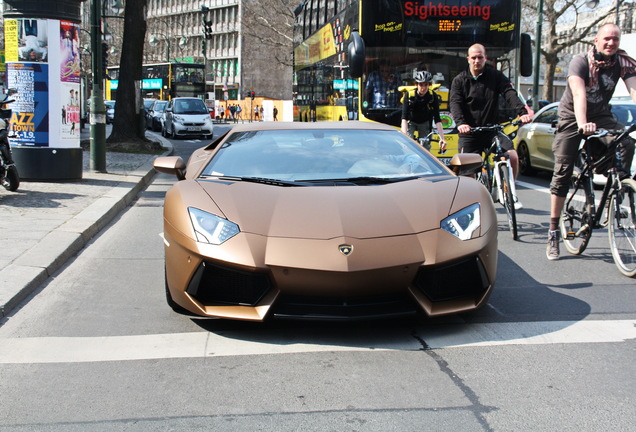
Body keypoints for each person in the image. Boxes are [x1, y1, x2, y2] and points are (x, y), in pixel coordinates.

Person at [546, 23, 636, 261]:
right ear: (596, 40)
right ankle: (554, 230)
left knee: (626, 142)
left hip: (601, 115)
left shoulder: (622, 62)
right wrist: (582, 123)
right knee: (563, 172)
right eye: (607, 38)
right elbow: (578, 94)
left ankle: (618, 183)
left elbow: (634, 89)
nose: (611, 43)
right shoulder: (580, 61)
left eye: (615, 39)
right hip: (572, 115)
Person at [449, 43, 533, 207]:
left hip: (492, 130)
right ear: (468, 59)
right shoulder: (459, 80)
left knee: (513, 157)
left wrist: (522, 112)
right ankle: (470, 204)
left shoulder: (495, 76)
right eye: (473, 57)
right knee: (467, 174)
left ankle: (510, 193)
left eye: (480, 57)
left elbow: (509, 93)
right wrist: (461, 123)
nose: (477, 61)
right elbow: (455, 103)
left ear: (485, 58)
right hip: (470, 133)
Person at [401, 70, 446, 153]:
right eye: (421, 85)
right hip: (412, 121)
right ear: (416, 84)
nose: (423, 88)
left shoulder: (432, 96)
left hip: (425, 122)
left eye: (426, 85)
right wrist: (404, 137)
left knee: (425, 149)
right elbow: (404, 118)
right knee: (408, 146)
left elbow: (437, 119)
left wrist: (442, 139)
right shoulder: (409, 95)